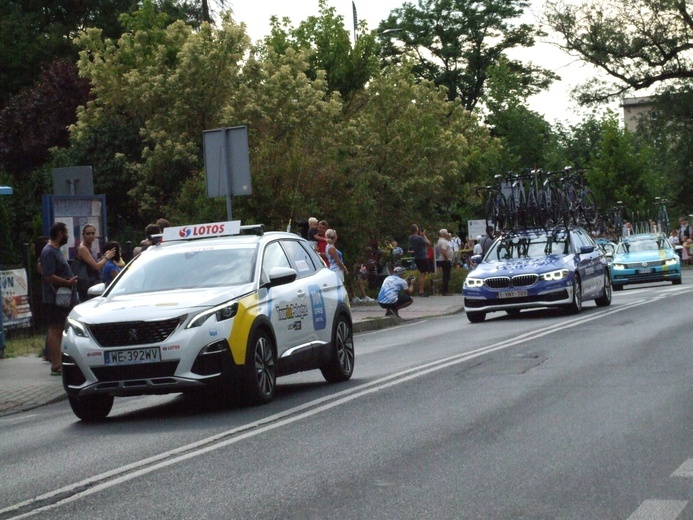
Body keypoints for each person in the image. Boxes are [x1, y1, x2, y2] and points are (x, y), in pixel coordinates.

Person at [40, 222, 79, 376]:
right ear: (60, 234)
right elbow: (48, 276)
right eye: (66, 233)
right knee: (55, 330)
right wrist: (66, 282)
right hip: (55, 298)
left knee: (61, 329)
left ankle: (60, 361)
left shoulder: (55, 250)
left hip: (63, 298)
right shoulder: (49, 251)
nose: (67, 236)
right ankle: (56, 365)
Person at [73, 224, 116, 302]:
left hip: (91, 284)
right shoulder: (82, 248)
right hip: (86, 286)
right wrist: (107, 257)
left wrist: (103, 257)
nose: (91, 236)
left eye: (93, 233)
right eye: (88, 234)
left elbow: (92, 264)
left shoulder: (89, 248)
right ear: (83, 235)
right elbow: (96, 267)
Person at [408, 224, 431, 297]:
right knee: (422, 274)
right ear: (416, 230)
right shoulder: (420, 238)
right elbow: (428, 243)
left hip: (417, 257)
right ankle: (421, 290)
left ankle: (420, 289)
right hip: (422, 257)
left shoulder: (411, 238)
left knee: (421, 273)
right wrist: (424, 235)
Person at [435, 229, 453, 295]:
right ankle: (445, 291)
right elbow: (443, 251)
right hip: (445, 260)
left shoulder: (439, 241)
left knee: (445, 275)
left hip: (441, 259)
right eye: (447, 233)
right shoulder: (443, 242)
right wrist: (447, 258)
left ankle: (444, 290)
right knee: (447, 275)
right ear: (444, 234)